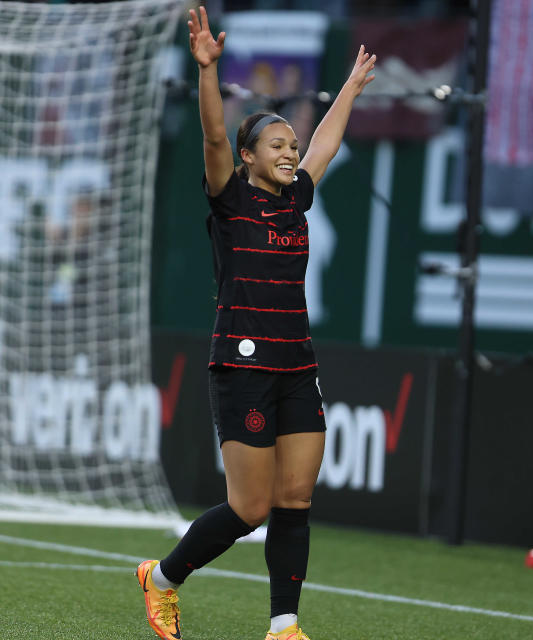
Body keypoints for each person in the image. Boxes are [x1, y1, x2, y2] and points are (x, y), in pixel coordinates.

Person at [136, 6, 375, 640]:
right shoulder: (230, 198)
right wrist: (207, 71)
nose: (291, 152)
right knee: (249, 507)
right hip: (240, 365)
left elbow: (325, 143)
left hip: (296, 364)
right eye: (277, 146)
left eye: (291, 145)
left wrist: (349, 86)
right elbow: (213, 137)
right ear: (247, 158)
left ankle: (284, 627)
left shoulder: (297, 198)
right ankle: (160, 580)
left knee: (296, 499)